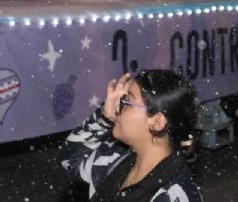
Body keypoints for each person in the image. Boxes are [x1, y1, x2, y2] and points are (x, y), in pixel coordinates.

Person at [59, 70, 202, 202]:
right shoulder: (117, 160)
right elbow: (70, 158)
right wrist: (105, 117)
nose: (118, 106)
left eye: (127, 102)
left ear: (157, 122)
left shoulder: (173, 195)